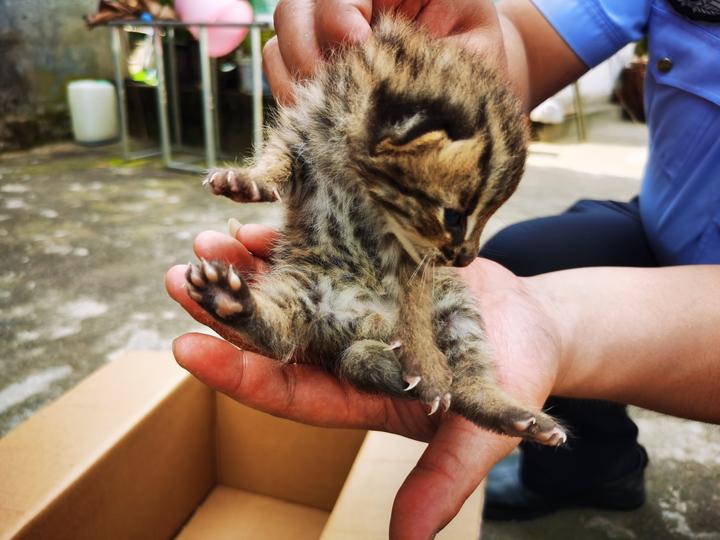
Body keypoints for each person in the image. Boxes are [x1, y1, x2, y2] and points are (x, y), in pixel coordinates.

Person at [166, 0, 720, 535]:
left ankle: (481, 394)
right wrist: (463, 28)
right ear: (396, 140)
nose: (466, 249)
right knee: (515, 256)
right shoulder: (357, 106)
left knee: (448, 298)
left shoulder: (405, 155)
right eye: (457, 216)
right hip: (661, 217)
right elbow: (521, 43)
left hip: (398, 284)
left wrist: (551, 328)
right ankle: (260, 317)